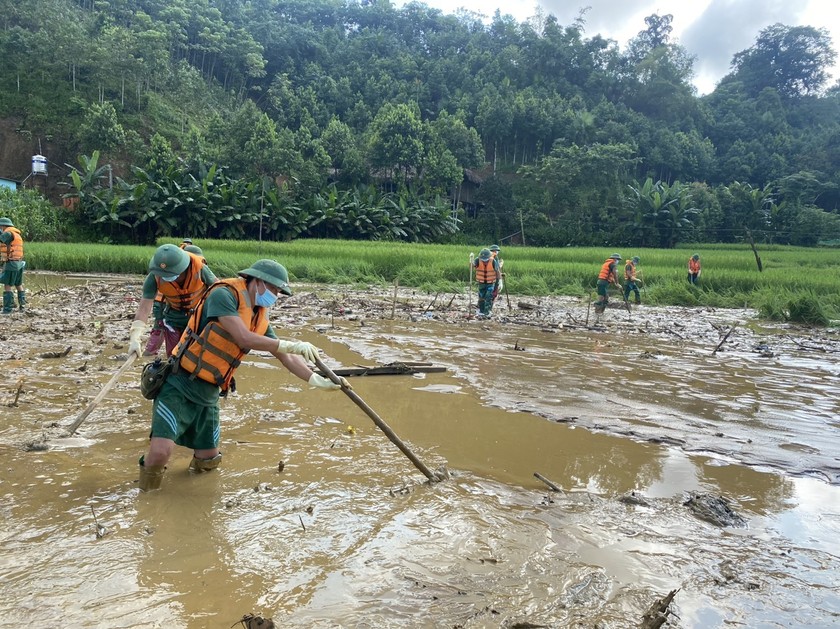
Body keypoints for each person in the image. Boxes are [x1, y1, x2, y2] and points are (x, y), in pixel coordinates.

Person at [137, 259, 350, 491]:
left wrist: (315, 379)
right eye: (275, 289)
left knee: (209, 460)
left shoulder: (258, 315)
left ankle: (193, 499)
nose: (276, 295)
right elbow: (243, 338)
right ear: (258, 281)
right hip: (180, 383)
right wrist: (291, 344)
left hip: (209, 392)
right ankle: (147, 497)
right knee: (160, 453)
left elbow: (284, 356)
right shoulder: (224, 295)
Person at [129, 244, 218, 360]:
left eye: (170, 274)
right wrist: (135, 337)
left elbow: (219, 290)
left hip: (198, 318)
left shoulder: (199, 268)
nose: (165, 277)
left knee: (196, 357)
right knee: (173, 358)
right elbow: (144, 308)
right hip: (173, 318)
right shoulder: (154, 277)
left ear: (183, 267)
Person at [0, 217, 25, 314]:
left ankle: (7, 309)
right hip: (19, 262)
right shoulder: (16, 234)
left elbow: (1, 238)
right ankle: (22, 306)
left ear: (3, 226)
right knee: (18, 284)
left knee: (7, 285)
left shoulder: (8, 233)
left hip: (12, 263)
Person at [594, 253, 622, 321]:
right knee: (603, 298)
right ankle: (598, 312)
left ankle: (600, 312)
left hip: (601, 282)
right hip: (603, 283)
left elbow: (609, 276)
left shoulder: (607, 263)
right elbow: (615, 274)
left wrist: (615, 283)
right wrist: (618, 283)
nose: (618, 261)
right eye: (618, 260)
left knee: (604, 297)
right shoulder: (613, 264)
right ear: (615, 259)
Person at [473, 248, 500, 318]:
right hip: (481, 283)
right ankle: (481, 311)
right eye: (483, 259)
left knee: (488, 296)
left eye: (486, 259)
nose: (484, 260)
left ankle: (487, 312)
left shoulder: (493, 261)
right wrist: (470, 261)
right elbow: (471, 267)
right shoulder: (477, 260)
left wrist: (498, 281)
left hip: (490, 283)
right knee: (481, 297)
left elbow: (497, 272)